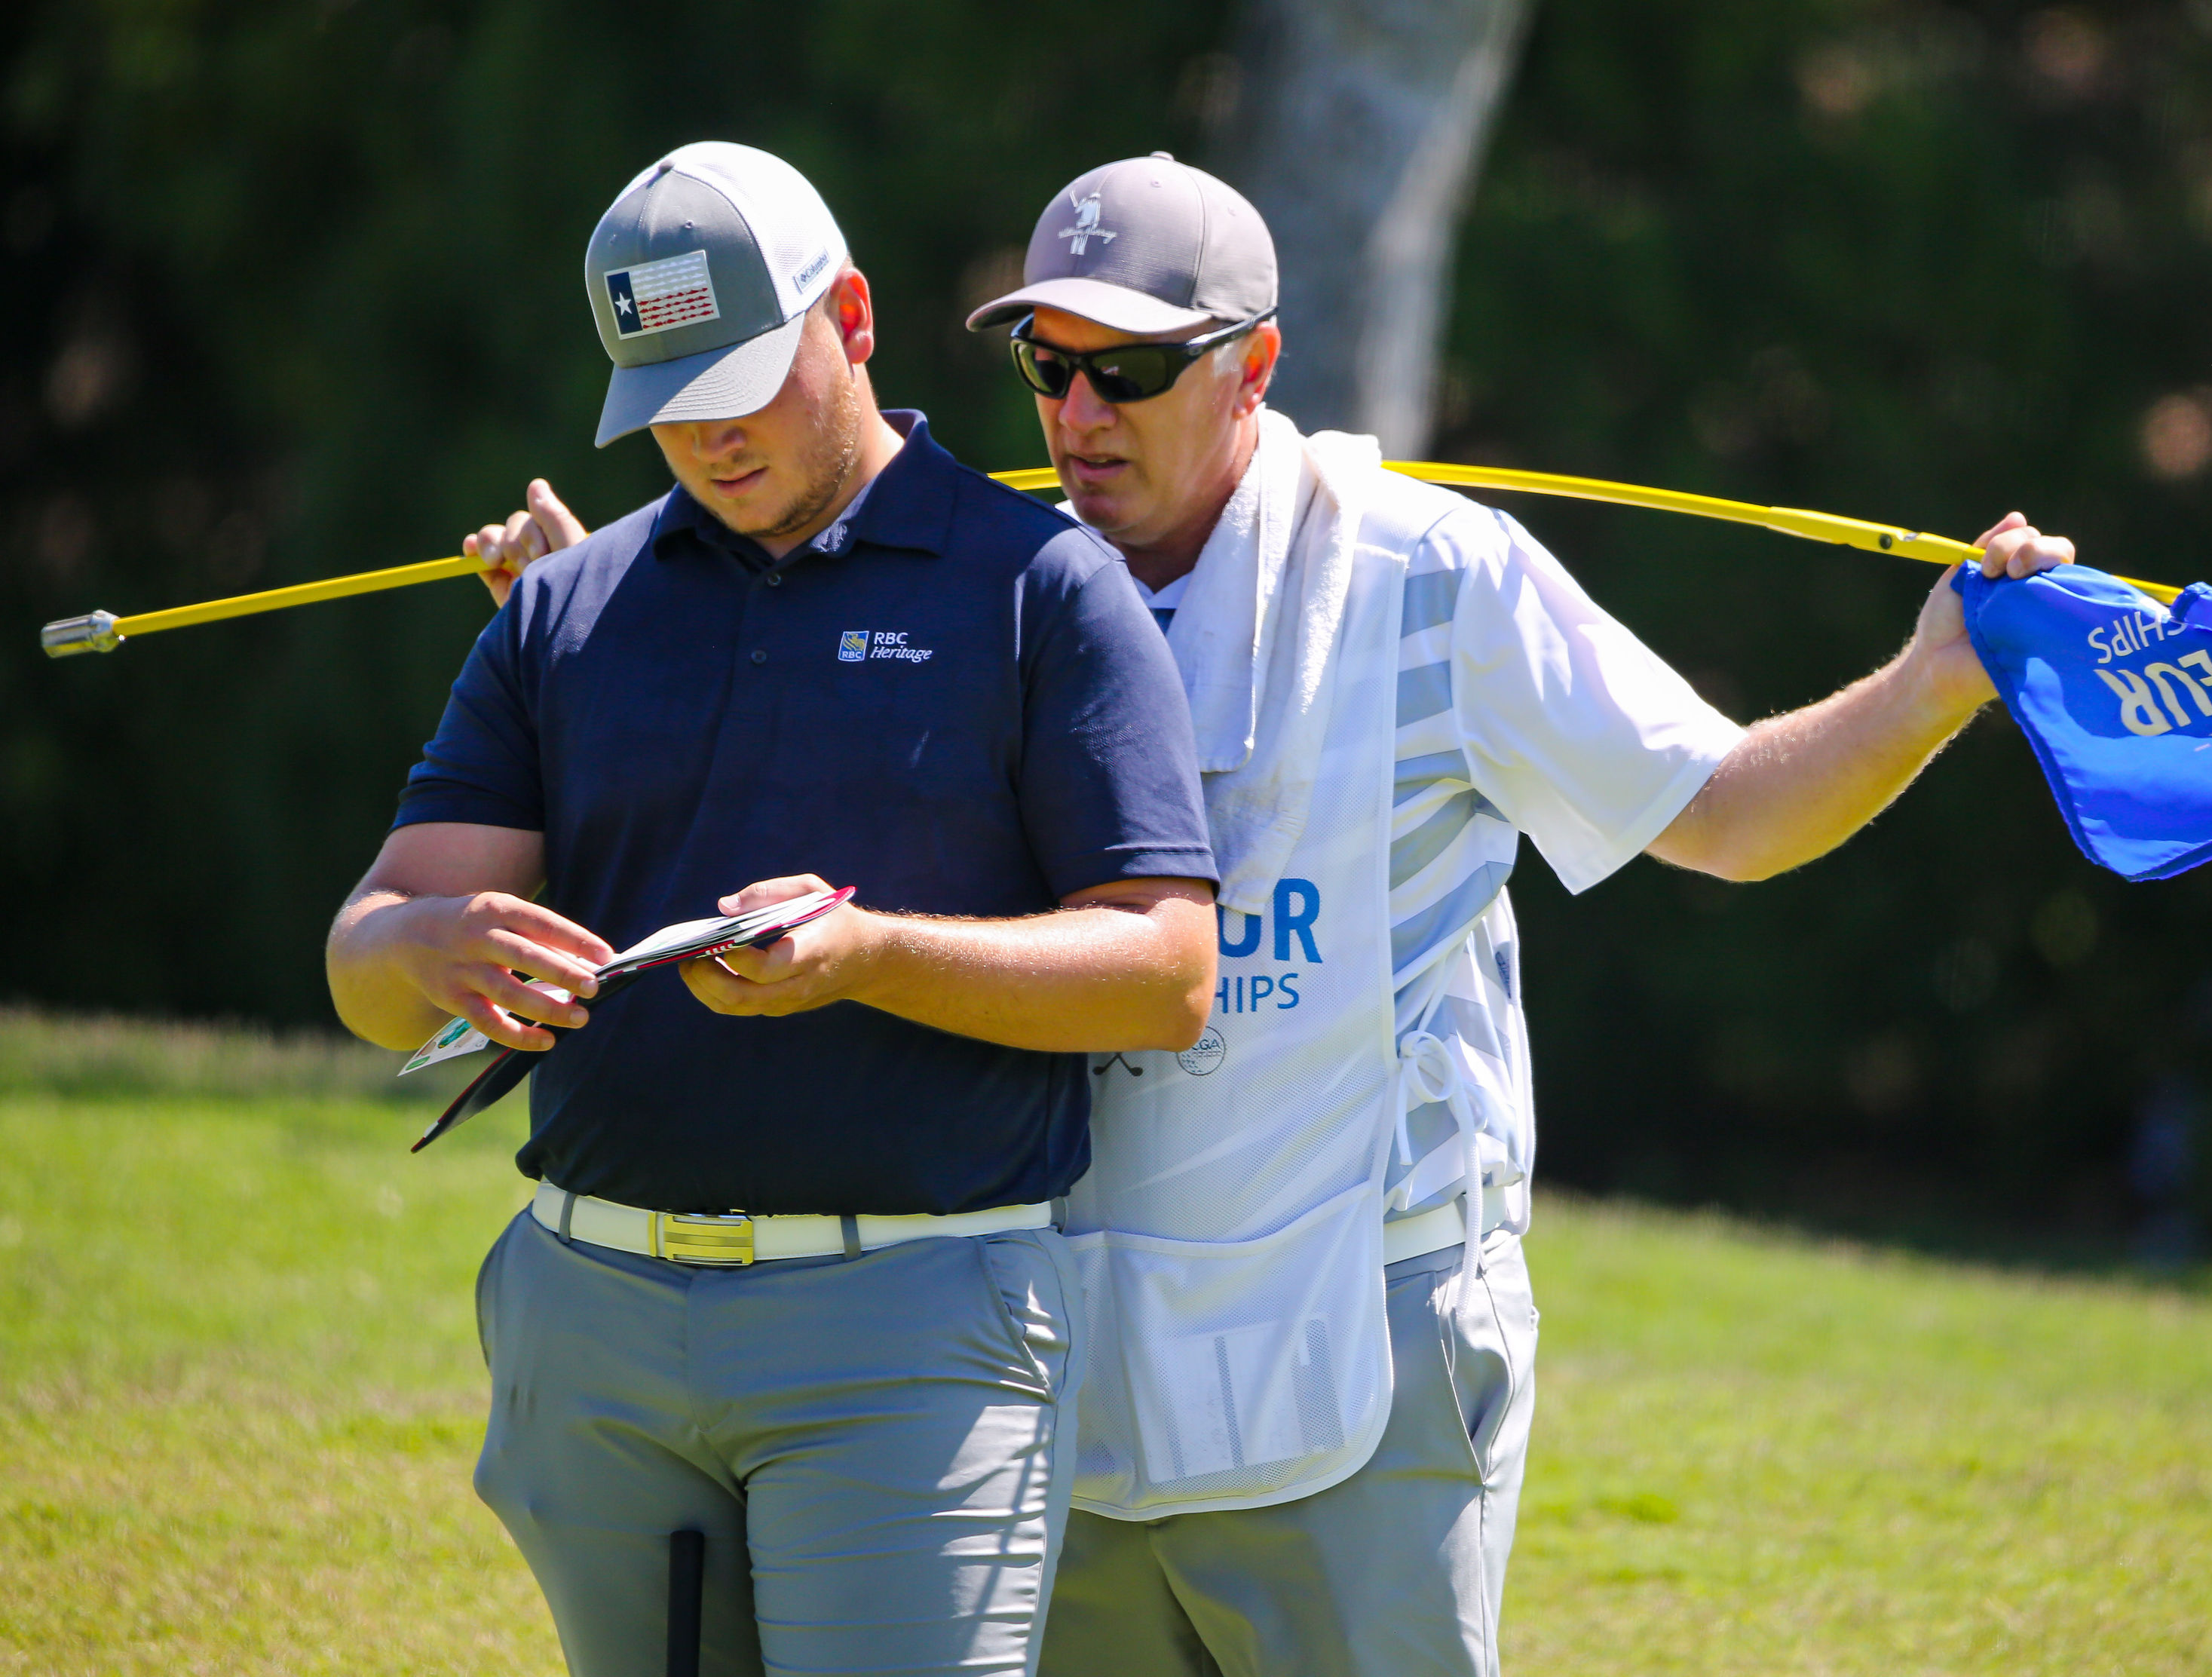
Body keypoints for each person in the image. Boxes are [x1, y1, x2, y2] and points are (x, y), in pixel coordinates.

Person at [469, 152, 2075, 1677]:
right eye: (1048, 367)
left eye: (1131, 371)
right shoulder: (991, 582)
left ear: (1255, 365)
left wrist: (1935, 681)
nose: (1079, 416)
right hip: (1066, 1338)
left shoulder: (1438, 573)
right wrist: (620, 601)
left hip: (1364, 1336)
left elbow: (1729, 815)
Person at [329, 142, 1221, 1677]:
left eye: (744, 381)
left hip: (911, 1326)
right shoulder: (570, 605)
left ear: (852, 318)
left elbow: (1165, 969)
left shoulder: (1039, 586)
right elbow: (368, 954)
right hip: (591, 1319)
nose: (710, 435)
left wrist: (867, 957)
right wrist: (427, 945)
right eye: (669, 401)